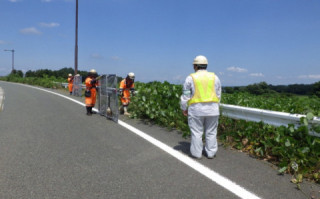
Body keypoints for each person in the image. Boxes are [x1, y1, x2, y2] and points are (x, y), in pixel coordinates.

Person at [180, 55, 221, 159]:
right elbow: (218, 94)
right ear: (206, 65)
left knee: (197, 132)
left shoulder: (190, 78)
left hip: (196, 110)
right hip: (213, 110)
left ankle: (196, 154)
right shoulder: (215, 77)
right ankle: (211, 153)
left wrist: (184, 108)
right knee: (211, 132)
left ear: (195, 66)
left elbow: (186, 95)